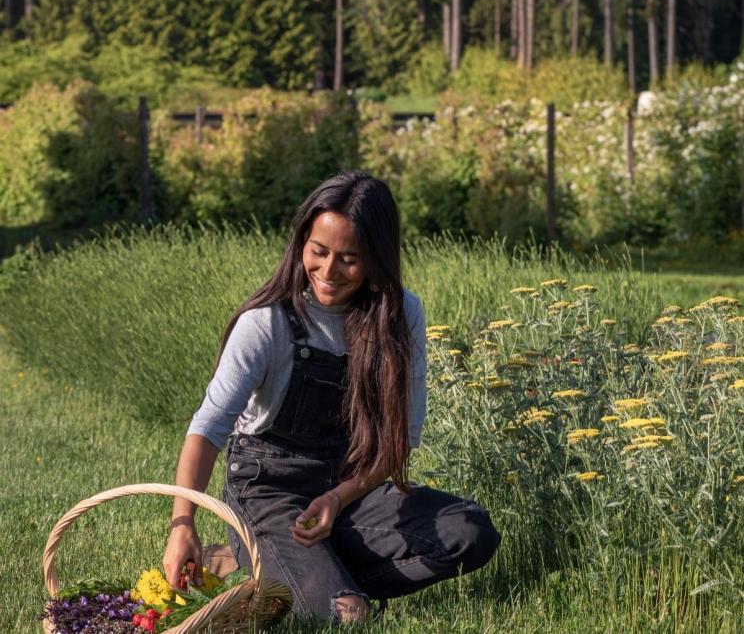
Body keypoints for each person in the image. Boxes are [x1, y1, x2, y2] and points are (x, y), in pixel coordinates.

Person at [162, 170, 500, 624]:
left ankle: (271, 566)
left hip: (350, 491)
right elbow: (207, 431)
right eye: (318, 252)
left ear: (377, 258)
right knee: (348, 617)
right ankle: (282, 565)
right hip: (268, 489)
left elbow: (400, 439)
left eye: (349, 259)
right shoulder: (266, 324)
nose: (327, 271)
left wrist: (338, 499)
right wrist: (182, 524)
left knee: (470, 532)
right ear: (302, 242)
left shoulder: (401, 316)